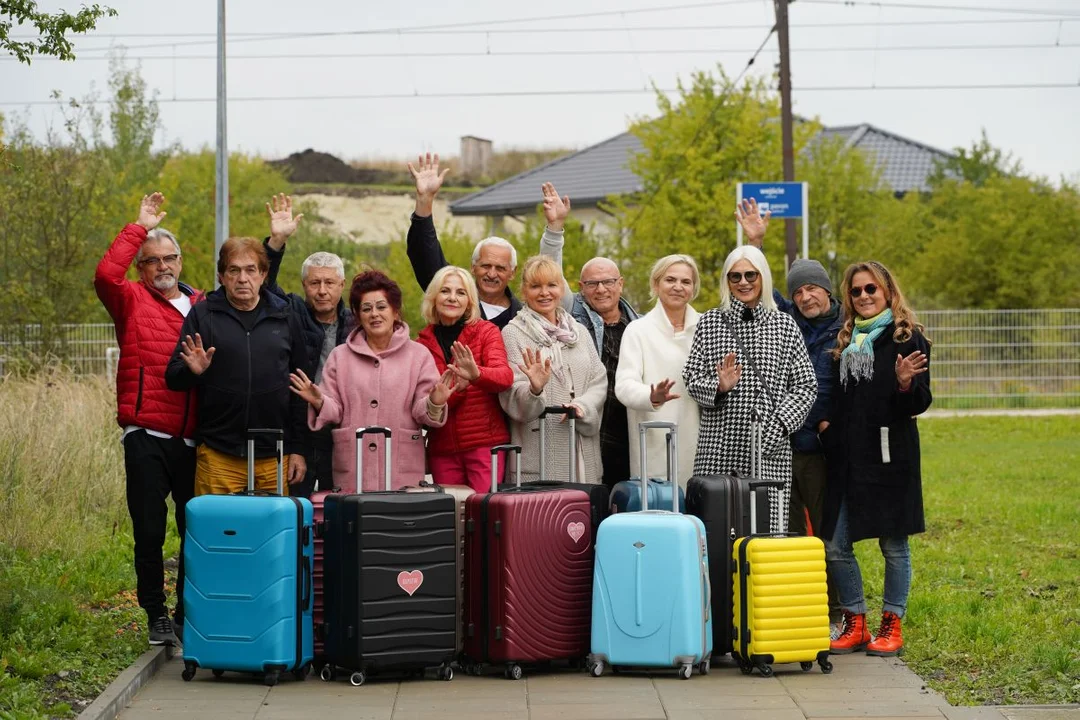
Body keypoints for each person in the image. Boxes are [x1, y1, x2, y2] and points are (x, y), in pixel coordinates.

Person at [95, 192, 203, 647]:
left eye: (169, 258)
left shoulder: (203, 304)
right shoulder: (130, 300)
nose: (162, 266)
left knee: (194, 532)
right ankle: (155, 613)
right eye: (152, 260)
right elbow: (105, 273)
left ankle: (185, 613)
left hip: (195, 439)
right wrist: (137, 227)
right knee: (148, 529)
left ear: (180, 261)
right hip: (145, 433)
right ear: (141, 268)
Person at [738, 197, 845, 636]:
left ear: (827, 289)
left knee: (828, 534)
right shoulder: (787, 321)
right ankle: (799, 607)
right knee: (785, 530)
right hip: (784, 448)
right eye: (798, 291)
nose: (804, 297)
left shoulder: (847, 329)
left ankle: (838, 610)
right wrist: (755, 242)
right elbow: (760, 290)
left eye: (811, 289)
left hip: (823, 452)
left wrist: (825, 420)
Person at [821, 261, 931, 658]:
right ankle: (856, 621)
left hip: (889, 457)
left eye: (871, 289)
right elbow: (837, 398)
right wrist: (826, 428)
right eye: (856, 291)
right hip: (848, 459)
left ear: (887, 292)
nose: (864, 296)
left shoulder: (908, 337)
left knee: (893, 545)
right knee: (834, 544)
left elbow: (920, 402)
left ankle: (892, 622)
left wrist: (906, 384)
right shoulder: (846, 341)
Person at [682, 245, 816, 532]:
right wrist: (719, 386)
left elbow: (805, 386)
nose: (743, 282)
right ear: (726, 281)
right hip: (718, 448)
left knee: (766, 531)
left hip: (769, 449)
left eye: (750, 275)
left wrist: (778, 426)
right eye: (735, 276)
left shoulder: (785, 325)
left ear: (763, 277)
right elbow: (691, 378)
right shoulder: (710, 322)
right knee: (718, 532)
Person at [289, 270, 457, 492]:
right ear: (358, 316)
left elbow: (422, 413)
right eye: (366, 309)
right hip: (353, 468)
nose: (374, 314)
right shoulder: (340, 356)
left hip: (401, 468)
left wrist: (435, 402)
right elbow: (336, 410)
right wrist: (319, 400)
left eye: (381, 306)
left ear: (395, 312)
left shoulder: (418, 355)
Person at [165, 237, 309, 497]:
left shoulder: (286, 317)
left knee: (272, 534)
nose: (243, 278)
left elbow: (301, 388)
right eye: (234, 270)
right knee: (220, 534)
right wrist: (193, 371)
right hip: (220, 454)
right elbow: (173, 378)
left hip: (274, 454)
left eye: (251, 270)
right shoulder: (203, 315)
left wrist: (298, 448)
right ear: (221, 276)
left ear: (263, 274)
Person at [539, 183, 640, 486]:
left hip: (628, 430)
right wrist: (555, 227)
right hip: (588, 427)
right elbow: (549, 272)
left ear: (620, 284)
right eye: (592, 284)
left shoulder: (639, 326)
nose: (601, 289)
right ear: (580, 288)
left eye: (608, 282)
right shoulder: (573, 315)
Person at [404, 154, 569, 329]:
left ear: (512, 272)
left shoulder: (524, 319)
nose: (491, 274)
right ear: (473, 267)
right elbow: (425, 255)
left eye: (500, 268)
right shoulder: (455, 302)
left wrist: (555, 227)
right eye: (485, 266)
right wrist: (425, 200)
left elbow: (550, 277)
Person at [262, 193, 354, 497]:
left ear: (342, 285)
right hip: (300, 431)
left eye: (330, 283)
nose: (323, 291)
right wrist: (276, 243)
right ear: (304, 286)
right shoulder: (292, 313)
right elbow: (264, 287)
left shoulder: (357, 325)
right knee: (297, 510)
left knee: (341, 513)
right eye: (315, 283)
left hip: (342, 434)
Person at [499, 256, 607, 484]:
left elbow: (599, 380)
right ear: (524, 291)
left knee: (584, 516)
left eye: (551, 285)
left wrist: (581, 406)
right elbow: (511, 395)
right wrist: (535, 390)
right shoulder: (513, 333)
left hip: (582, 448)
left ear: (562, 289)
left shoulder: (579, 332)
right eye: (535, 286)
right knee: (544, 517)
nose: (544, 293)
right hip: (540, 454)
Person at [415, 266, 514, 493]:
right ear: (433, 297)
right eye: (445, 291)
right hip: (443, 449)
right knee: (451, 518)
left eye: (460, 293)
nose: (452, 298)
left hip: (484, 445)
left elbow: (505, 377)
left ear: (470, 301)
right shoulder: (421, 344)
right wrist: (446, 397)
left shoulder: (486, 331)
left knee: (485, 515)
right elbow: (428, 403)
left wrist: (476, 375)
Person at [614, 254, 701, 487]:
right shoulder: (638, 330)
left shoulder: (706, 327)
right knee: (659, 512)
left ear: (693, 288)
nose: (678, 287)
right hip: (653, 441)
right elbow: (623, 385)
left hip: (701, 444)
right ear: (656, 284)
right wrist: (651, 396)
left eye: (686, 282)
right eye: (670, 279)